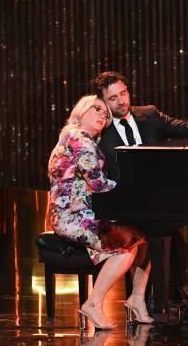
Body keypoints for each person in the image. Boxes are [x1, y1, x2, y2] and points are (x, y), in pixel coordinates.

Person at [93, 71, 188, 303]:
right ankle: (153, 296)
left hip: (156, 198)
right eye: (113, 98)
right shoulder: (100, 130)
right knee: (158, 237)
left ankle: (169, 292)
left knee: (175, 242)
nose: (121, 101)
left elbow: (183, 127)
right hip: (122, 203)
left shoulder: (149, 115)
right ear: (102, 102)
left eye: (123, 93)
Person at [48, 94, 154, 329]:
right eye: (96, 109)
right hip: (71, 217)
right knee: (126, 247)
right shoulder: (78, 139)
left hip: (84, 213)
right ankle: (94, 303)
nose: (102, 115)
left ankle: (136, 299)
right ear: (81, 111)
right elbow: (98, 183)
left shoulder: (82, 140)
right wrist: (133, 193)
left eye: (105, 113)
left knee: (144, 239)